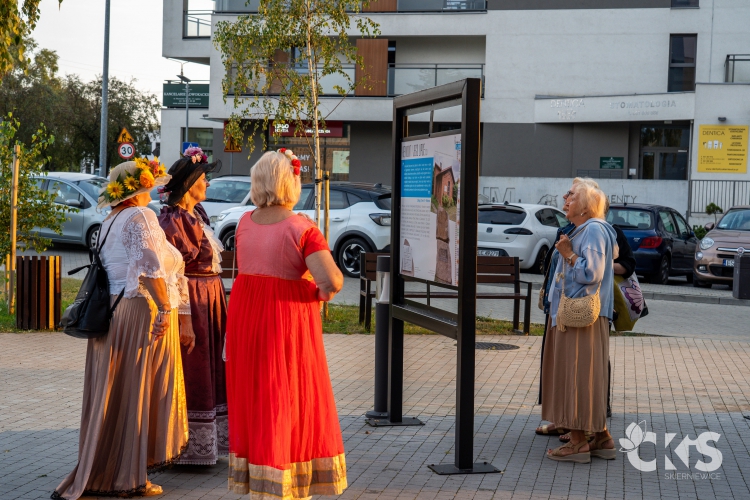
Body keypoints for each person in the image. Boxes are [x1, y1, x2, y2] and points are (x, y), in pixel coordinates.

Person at [53, 159, 194, 499]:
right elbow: (149, 267)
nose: (153, 189)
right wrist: (165, 309)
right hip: (138, 310)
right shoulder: (140, 216)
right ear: (140, 187)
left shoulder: (110, 220)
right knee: (134, 391)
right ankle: (127, 476)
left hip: (116, 312)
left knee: (118, 390)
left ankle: (115, 470)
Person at [225, 149, 347, 499]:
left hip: (247, 319)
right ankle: (286, 481)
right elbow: (332, 280)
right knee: (288, 396)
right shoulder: (302, 228)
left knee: (258, 396)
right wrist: (317, 292)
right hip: (285, 321)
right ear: (290, 182)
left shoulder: (244, 222)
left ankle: (261, 477)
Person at [159, 148, 229, 465]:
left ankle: (208, 443)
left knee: (210, 366)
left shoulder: (196, 215)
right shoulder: (174, 220)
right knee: (194, 367)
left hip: (209, 300)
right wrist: (185, 319)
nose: (208, 184)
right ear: (189, 184)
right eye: (204, 178)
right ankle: (185, 445)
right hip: (194, 301)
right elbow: (177, 273)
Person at [541, 181, 618, 463]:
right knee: (585, 376)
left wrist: (569, 254)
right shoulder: (586, 229)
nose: (565, 197)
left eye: (571, 195)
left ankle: (576, 443)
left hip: (579, 317)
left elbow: (592, 273)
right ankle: (601, 438)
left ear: (585, 206)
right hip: (575, 316)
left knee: (574, 376)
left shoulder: (594, 229)